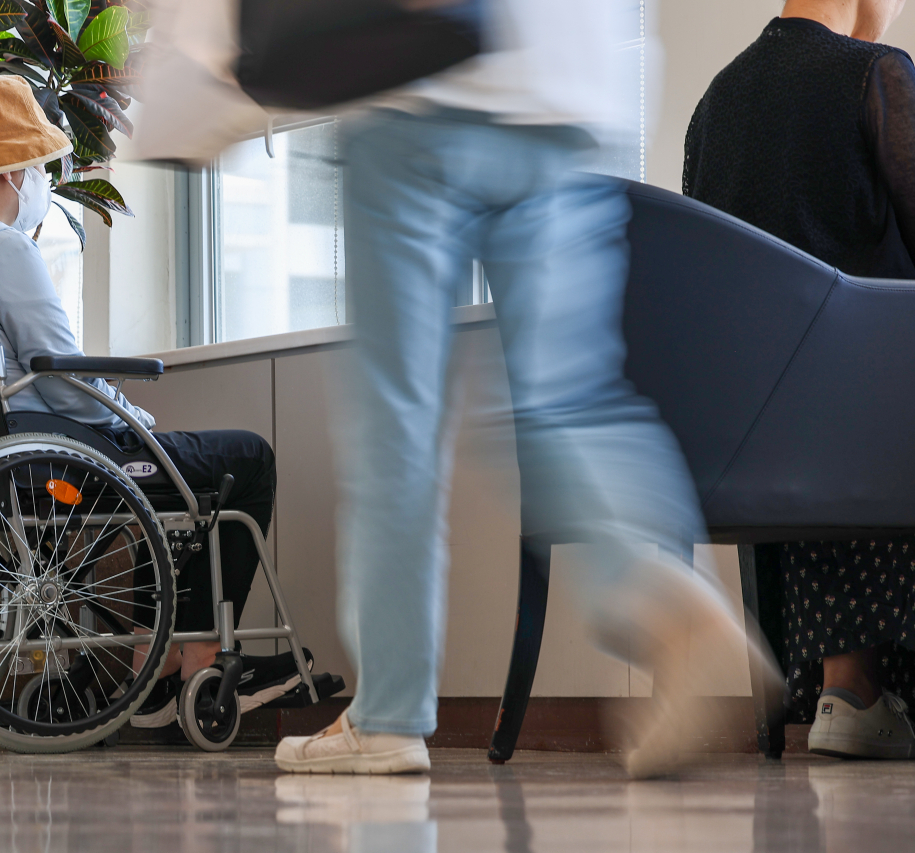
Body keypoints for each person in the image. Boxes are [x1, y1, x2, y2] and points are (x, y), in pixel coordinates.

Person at [273, 0, 779, 777]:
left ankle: (389, 713)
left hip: (418, 88)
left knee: (398, 420)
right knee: (571, 397)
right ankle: (670, 605)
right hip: (561, 93)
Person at [0, 75, 310, 726]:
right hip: (36, 459)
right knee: (241, 458)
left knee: (150, 486)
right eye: (42, 169)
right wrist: (127, 415)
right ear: (15, 172)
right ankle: (197, 659)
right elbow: (58, 375)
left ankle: (151, 661)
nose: (45, 183)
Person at [683, 0, 915, 759]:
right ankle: (858, 686)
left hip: (746, 433)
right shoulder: (875, 75)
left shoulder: (713, 101)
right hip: (858, 434)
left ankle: (844, 686)